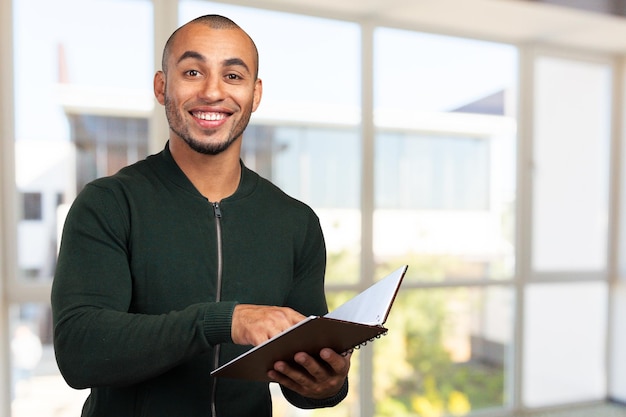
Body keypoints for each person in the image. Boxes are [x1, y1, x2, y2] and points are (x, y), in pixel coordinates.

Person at [51, 14, 350, 417]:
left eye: (233, 76)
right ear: (162, 87)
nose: (213, 91)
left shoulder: (296, 223)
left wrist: (327, 385)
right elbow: (79, 351)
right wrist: (223, 321)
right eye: (193, 71)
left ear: (255, 94)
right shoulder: (107, 204)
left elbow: (303, 377)